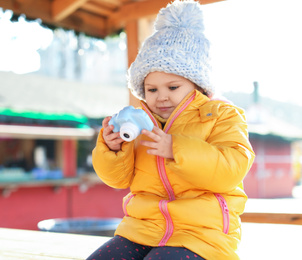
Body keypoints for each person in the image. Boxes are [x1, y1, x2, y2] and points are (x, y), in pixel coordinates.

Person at [87, 0, 255, 259]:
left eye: (172, 87)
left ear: (196, 84)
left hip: (202, 234)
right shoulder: (141, 123)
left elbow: (231, 170)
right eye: (152, 89)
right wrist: (111, 149)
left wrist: (176, 148)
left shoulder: (221, 116)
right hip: (142, 228)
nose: (161, 97)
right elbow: (118, 180)